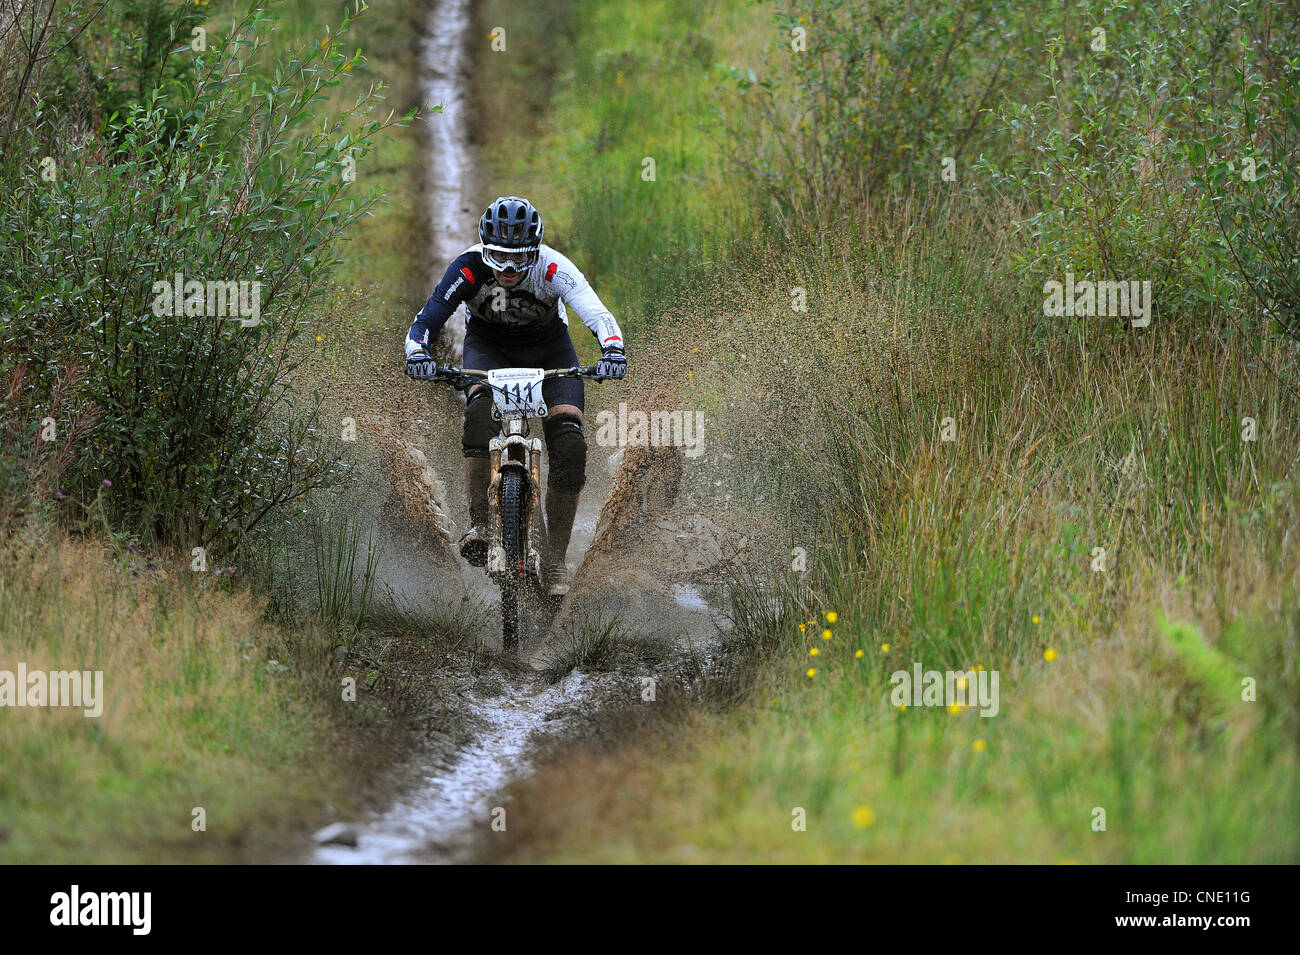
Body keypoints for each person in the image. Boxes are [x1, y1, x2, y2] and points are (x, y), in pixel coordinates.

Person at [403, 196, 627, 597]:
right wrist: (417, 353)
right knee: (478, 414)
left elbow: (596, 311)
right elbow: (428, 318)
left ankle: (556, 558)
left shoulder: (553, 266)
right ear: (483, 248)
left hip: (550, 352)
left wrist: (612, 349)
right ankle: (482, 525)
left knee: (570, 442)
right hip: (489, 350)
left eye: (519, 259)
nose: (507, 269)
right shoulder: (469, 268)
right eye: (497, 257)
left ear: (535, 251)